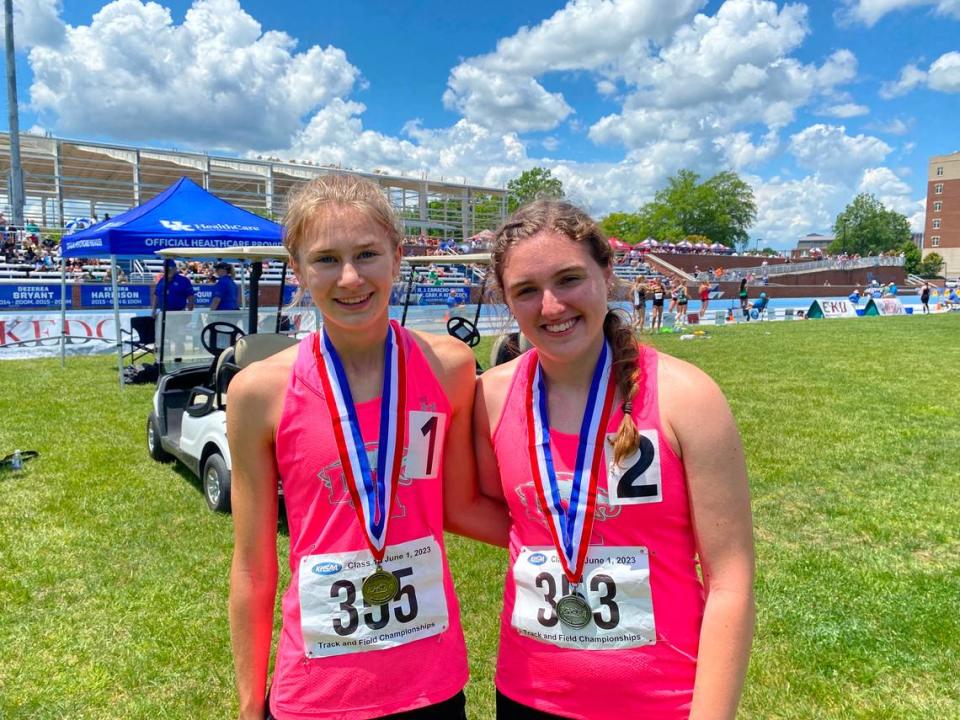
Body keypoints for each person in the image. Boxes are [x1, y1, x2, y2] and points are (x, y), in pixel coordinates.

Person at [227, 175, 508, 720]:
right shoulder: (259, 393)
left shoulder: (448, 368)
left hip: (430, 681)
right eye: (326, 259)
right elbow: (253, 568)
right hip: (316, 690)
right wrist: (247, 702)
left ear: (398, 258)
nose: (350, 277)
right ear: (298, 271)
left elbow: (458, 504)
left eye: (367, 254)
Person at [474, 200, 755, 719]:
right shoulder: (490, 397)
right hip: (528, 694)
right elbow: (493, 510)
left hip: (660, 702)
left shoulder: (686, 398)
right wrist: (557, 534)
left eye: (569, 279)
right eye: (527, 291)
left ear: (607, 273)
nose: (551, 306)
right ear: (506, 301)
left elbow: (730, 581)